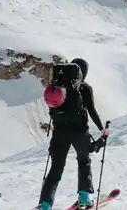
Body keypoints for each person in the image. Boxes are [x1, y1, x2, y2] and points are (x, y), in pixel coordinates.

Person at [39, 58, 107, 210]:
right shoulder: (85, 88)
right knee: (84, 161)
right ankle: (84, 197)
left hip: (59, 133)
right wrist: (102, 129)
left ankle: (45, 204)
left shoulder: (58, 86)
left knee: (55, 168)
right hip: (79, 131)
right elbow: (92, 110)